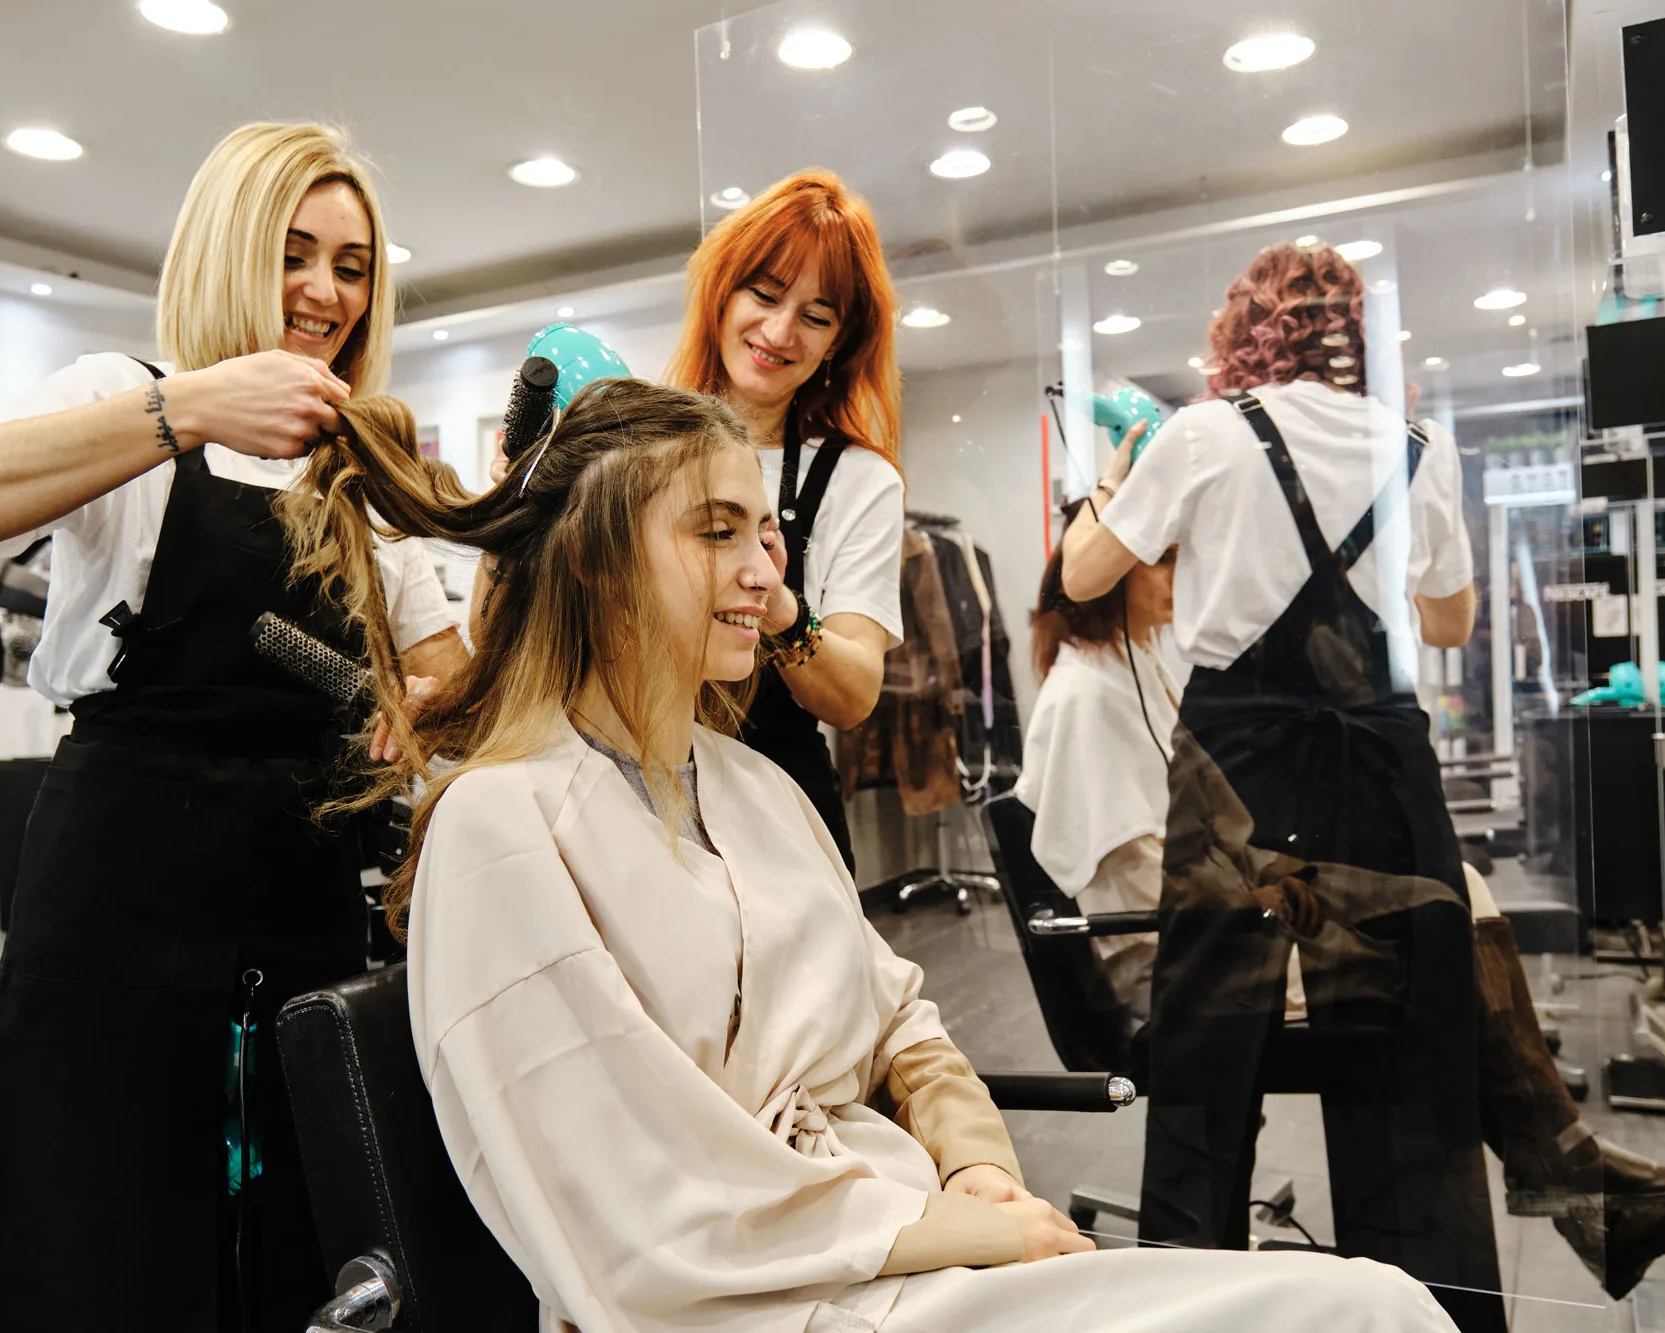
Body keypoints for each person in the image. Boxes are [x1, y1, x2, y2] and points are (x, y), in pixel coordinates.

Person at [290, 376, 1457, 1333]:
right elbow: (635, 1208)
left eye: (764, 533)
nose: (765, 574)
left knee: (1379, 1304)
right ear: (595, 561)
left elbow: (901, 1017)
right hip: (739, 1305)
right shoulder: (502, 827)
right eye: (715, 531)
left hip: (903, 1254)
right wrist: (963, 1228)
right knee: (1369, 1315)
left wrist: (977, 1168)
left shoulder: (751, 786)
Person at [1059, 240, 1665, 1317]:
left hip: (1236, 771)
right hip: (1378, 760)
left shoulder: (1200, 434)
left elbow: (1084, 572)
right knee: (1407, 1053)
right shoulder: (1416, 446)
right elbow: (1448, 623)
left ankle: (1192, 1301)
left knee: (1203, 1057)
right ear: (1356, 337)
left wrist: (1117, 481)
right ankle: (1431, 1307)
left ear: (1242, 332)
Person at [0, 122, 467, 1332]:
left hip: (303, 886)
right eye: (292, 253)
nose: (324, 292)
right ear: (226, 248)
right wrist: (186, 407)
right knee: (104, 1225)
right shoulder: (119, 394)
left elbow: (448, 680)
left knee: (296, 1222)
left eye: (352, 267)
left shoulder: (355, 464)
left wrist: (422, 706)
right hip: (123, 885)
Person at [660, 168, 906, 870]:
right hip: (638, 798)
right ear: (722, 293)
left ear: (839, 343)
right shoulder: (632, 446)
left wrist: (779, 605)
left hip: (783, 817)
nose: (778, 331)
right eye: (764, 296)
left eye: (815, 317)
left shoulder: (857, 480)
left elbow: (853, 695)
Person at [1015, 529, 1181, 1021]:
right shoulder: (1085, 693)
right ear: (1106, 576)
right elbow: (1131, 866)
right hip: (1158, 954)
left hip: (1183, 924)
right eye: (1162, 559)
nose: (1181, 575)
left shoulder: (1137, 663)